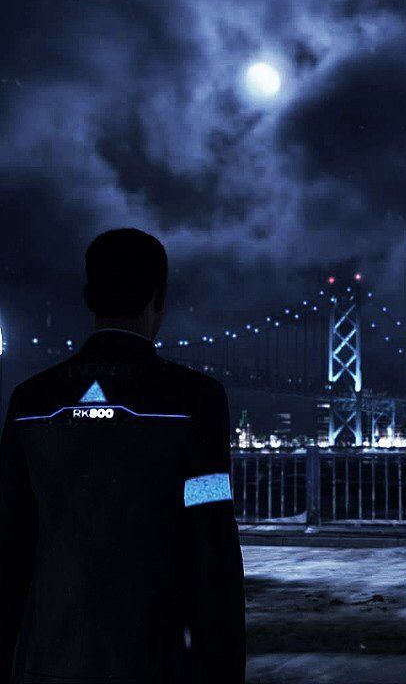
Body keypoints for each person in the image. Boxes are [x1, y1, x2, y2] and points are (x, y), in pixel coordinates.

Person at [0, 229, 245, 684]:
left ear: (89, 296)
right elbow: (212, 541)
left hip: (47, 663)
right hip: (158, 664)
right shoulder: (196, 401)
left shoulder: (28, 403)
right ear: (158, 299)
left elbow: (8, 548)